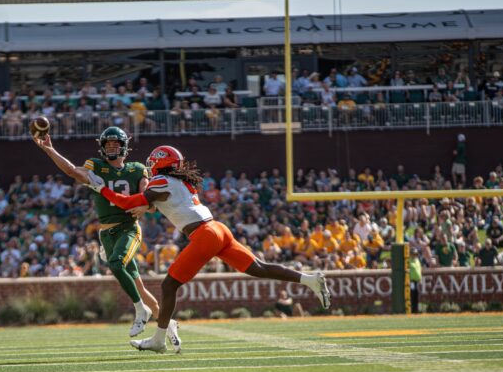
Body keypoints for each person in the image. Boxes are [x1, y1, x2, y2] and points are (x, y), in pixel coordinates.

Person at [85, 145, 331, 354]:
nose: (150, 167)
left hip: (205, 234)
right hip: (218, 229)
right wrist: (144, 206)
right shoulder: (178, 181)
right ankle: (308, 279)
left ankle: (159, 340)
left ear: (161, 163)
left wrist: (101, 188)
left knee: (169, 286)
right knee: (258, 268)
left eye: (154, 162)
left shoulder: (161, 181)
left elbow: (127, 202)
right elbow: (155, 202)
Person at [32, 126, 179, 347]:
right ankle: (168, 325)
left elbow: (147, 194)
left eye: (115, 144)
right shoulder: (96, 166)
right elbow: (73, 171)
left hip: (128, 228)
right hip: (106, 233)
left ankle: (141, 310)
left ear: (124, 147)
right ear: (102, 147)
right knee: (138, 284)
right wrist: (50, 150)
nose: (111, 147)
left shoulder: (137, 169)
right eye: (108, 144)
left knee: (116, 263)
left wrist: (145, 204)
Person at [408, 248, 422, 314]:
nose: (415, 255)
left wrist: (420, 279)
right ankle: (411, 310)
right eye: (413, 254)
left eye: (416, 254)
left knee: (417, 295)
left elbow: (419, 270)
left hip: (417, 281)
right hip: (411, 281)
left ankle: (416, 310)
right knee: (412, 295)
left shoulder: (417, 260)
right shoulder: (408, 261)